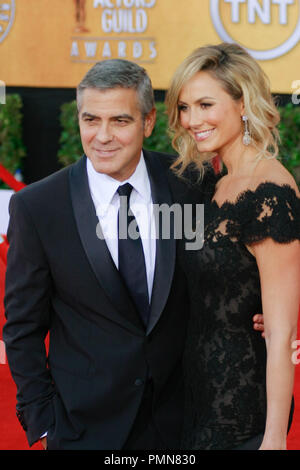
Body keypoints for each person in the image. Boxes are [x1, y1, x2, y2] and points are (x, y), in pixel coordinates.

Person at [3, 58, 263, 451]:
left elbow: (214, 279)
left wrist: (264, 318)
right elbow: (22, 326)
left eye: (120, 121)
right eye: (91, 120)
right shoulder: (39, 208)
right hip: (84, 430)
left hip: (183, 427)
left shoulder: (190, 186)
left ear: (148, 122)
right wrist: (43, 421)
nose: (102, 136)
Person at [165, 42, 300, 450]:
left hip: (240, 405)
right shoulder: (212, 180)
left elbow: (280, 333)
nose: (192, 120)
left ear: (244, 103)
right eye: (185, 107)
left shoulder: (270, 191)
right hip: (194, 394)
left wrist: (274, 438)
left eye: (206, 105)